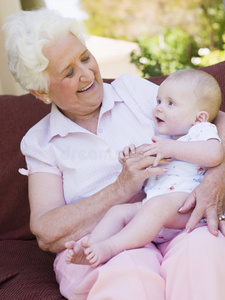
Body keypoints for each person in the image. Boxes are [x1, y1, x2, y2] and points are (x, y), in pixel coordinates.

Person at [3, 8, 225, 300]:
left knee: (203, 252)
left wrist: (217, 177)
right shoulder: (41, 142)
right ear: (41, 91)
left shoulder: (131, 90)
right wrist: (122, 187)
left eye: (84, 58)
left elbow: (214, 119)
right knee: (129, 277)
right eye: (68, 72)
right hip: (103, 241)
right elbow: (46, 231)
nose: (86, 74)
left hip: (174, 218)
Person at [64, 69, 224, 267]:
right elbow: (147, 168)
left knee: (156, 207)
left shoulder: (202, 130)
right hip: (156, 208)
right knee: (118, 212)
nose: (158, 108)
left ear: (199, 118)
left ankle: (110, 247)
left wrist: (171, 148)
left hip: (184, 205)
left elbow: (215, 154)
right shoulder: (165, 138)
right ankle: (89, 247)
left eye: (170, 103)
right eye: (158, 101)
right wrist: (132, 157)